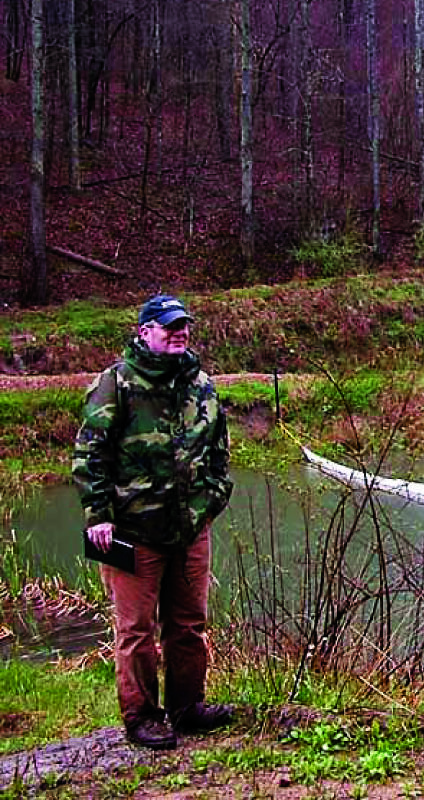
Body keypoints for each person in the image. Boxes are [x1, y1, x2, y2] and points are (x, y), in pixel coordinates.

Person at [72, 294, 235, 750]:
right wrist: (99, 517)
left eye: (183, 326)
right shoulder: (116, 383)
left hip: (190, 530)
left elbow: (219, 450)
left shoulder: (200, 383)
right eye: (168, 326)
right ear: (145, 332)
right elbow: (90, 455)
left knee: (188, 623)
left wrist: (214, 499)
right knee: (136, 629)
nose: (179, 333)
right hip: (132, 532)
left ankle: (187, 707)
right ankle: (142, 715)